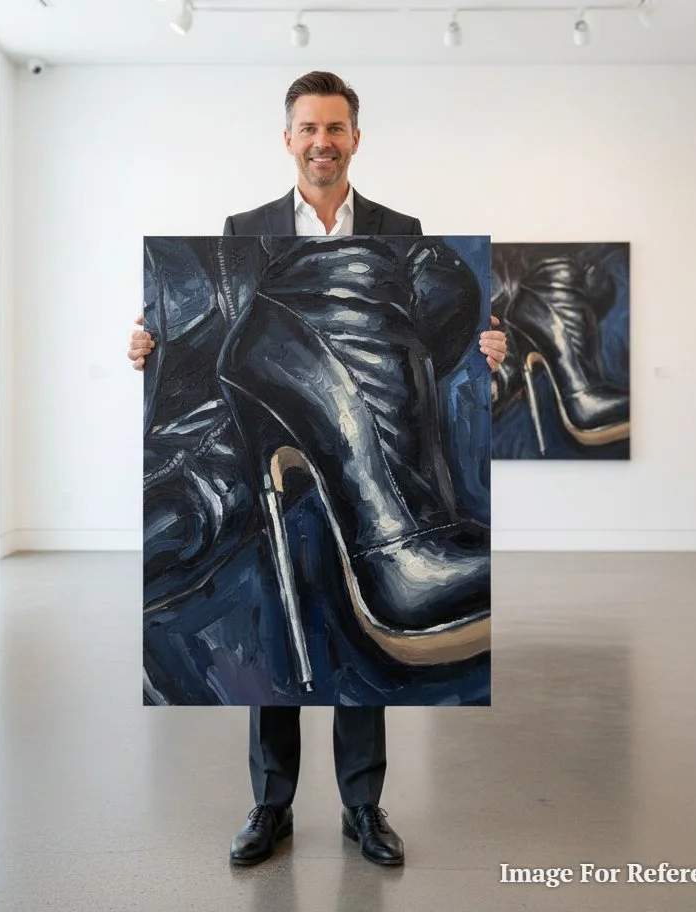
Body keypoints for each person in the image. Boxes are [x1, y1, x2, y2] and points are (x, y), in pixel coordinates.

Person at [128, 71, 507, 868]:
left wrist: (487, 350)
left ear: (355, 138)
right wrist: (148, 348)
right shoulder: (246, 225)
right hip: (268, 384)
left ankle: (362, 809)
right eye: (308, 128)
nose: (322, 142)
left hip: (352, 419)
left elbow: (421, 342)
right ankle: (271, 806)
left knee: (350, 633)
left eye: (335, 129)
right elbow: (200, 325)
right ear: (288, 137)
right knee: (275, 608)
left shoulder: (400, 226)